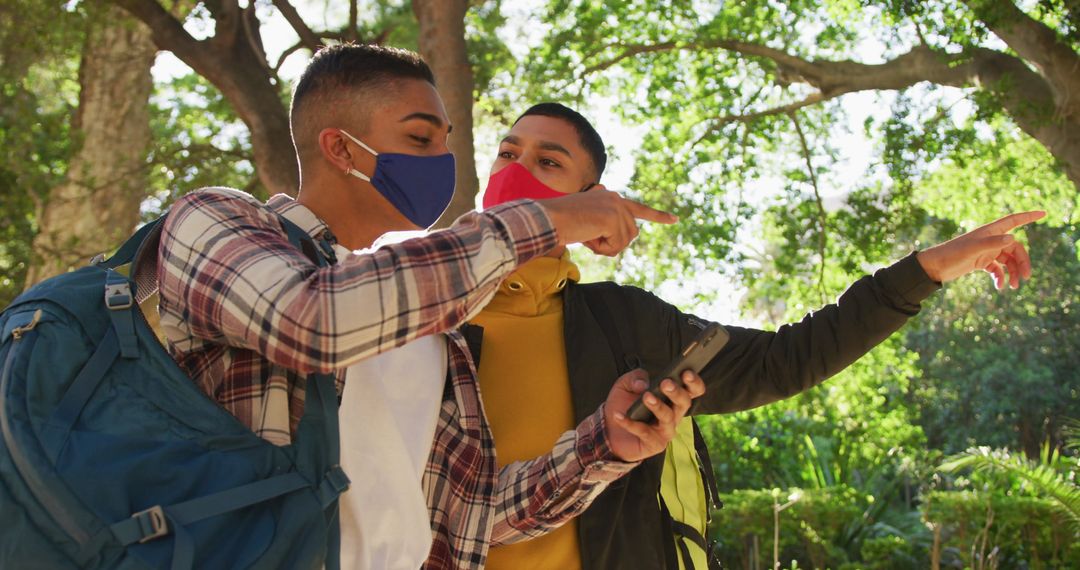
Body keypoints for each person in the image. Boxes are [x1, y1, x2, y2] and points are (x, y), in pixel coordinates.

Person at [156, 45, 702, 570]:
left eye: (446, 143)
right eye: (420, 138)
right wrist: (552, 218)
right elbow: (310, 320)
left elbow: (468, 516)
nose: (443, 161)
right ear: (341, 148)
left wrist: (603, 446)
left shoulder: (432, 333)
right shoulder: (216, 221)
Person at [469, 102, 1044, 569]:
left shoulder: (624, 323)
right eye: (507, 153)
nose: (515, 172)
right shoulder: (430, 313)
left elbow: (784, 360)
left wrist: (927, 270)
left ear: (594, 196)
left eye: (548, 162)